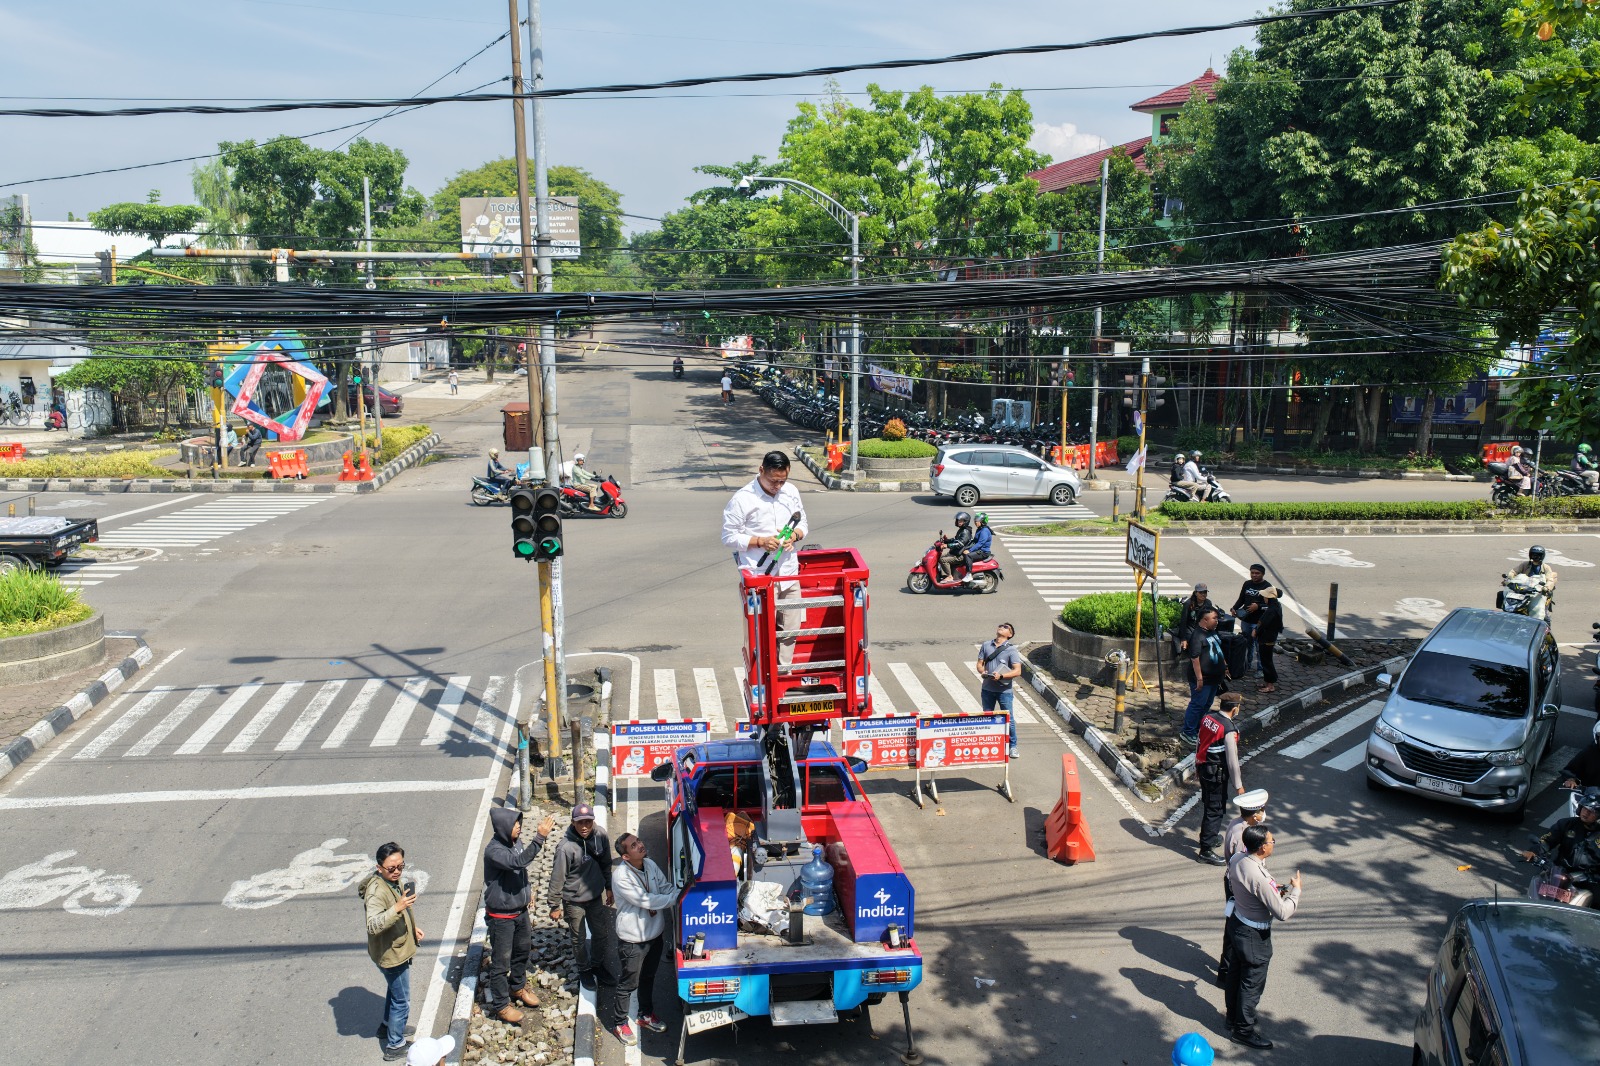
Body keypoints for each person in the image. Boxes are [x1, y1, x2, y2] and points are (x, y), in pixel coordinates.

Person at [720, 451, 808, 669]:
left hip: (788, 572)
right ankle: (764, 674)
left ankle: (784, 672)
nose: (777, 486)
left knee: (791, 628)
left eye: (782, 481)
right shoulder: (743, 499)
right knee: (762, 631)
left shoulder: (791, 492)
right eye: (773, 481)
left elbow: (803, 522)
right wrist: (759, 541)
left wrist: (795, 536)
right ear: (761, 471)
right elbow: (728, 536)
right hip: (759, 576)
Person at [1223, 824, 1301, 1050]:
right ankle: (1243, 1030)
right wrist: (1296, 891)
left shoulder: (1238, 858)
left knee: (1235, 975)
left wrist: (1277, 890)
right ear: (1261, 848)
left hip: (1238, 923)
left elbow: (1257, 891)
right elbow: (1283, 912)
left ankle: (1232, 1017)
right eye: (1271, 841)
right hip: (1254, 936)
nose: (1273, 843)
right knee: (1251, 985)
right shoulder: (1257, 874)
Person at [482, 808, 557, 1023]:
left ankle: (517, 987)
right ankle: (501, 1005)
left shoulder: (516, 843)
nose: (519, 827)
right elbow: (518, 862)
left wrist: (528, 889)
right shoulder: (494, 851)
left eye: (519, 823)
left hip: (520, 911)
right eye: (515, 824)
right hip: (501, 916)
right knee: (500, 963)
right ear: (503, 827)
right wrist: (540, 837)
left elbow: (521, 871)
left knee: (522, 952)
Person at [608, 833, 677, 1046]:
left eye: (639, 841)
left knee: (648, 977)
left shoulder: (649, 864)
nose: (640, 845)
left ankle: (645, 1015)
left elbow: (665, 887)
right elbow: (646, 900)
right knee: (628, 983)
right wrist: (677, 898)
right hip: (633, 940)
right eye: (634, 845)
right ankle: (620, 1023)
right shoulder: (621, 877)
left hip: (654, 935)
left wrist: (677, 892)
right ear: (626, 857)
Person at [359, 842, 425, 1061]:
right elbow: (373, 925)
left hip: (395, 948)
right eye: (391, 868)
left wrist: (412, 928)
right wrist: (398, 908)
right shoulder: (376, 892)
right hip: (391, 954)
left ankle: (388, 1026)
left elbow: (399, 911)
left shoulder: (392, 882)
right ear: (379, 868)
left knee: (395, 991)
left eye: (400, 866)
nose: (397, 871)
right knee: (402, 999)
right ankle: (395, 1044)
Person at [548, 804, 616, 993]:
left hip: (595, 896)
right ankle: (584, 969)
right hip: (573, 900)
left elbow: (606, 863)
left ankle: (597, 965)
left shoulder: (600, 835)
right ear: (573, 823)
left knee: (600, 933)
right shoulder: (565, 848)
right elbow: (557, 878)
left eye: (588, 822)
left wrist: (609, 887)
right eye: (580, 823)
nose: (584, 826)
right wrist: (554, 905)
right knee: (578, 938)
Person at [1215, 790, 1269, 987]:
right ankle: (1227, 971)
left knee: (1232, 926)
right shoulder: (1242, 834)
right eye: (1262, 810)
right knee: (1235, 929)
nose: (1264, 813)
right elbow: (1243, 868)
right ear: (1255, 814)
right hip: (1237, 887)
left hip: (1233, 882)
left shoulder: (1238, 823)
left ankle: (1225, 969)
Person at [1195, 692, 1246, 866]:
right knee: (1214, 809)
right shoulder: (1228, 729)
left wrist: (1197, 764)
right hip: (1215, 773)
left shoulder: (1208, 718)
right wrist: (1238, 785)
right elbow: (1232, 760)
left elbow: (1200, 742)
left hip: (1203, 768)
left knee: (1210, 804)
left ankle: (1209, 835)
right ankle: (1206, 849)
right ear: (1234, 709)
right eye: (1238, 707)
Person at [1520, 786, 1600, 870]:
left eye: (1591, 811)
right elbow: (1547, 842)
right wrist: (1534, 851)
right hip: (1560, 871)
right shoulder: (1567, 824)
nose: (1586, 813)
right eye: (1585, 808)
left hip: (1589, 878)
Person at [976, 621, 1023, 758]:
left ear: (1010, 634)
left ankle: (1013, 746)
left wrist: (1002, 675)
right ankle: (990, 744)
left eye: (1006, 627)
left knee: (1008, 719)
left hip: (1004, 691)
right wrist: (982, 672)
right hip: (987, 689)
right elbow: (979, 664)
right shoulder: (986, 645)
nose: (1002, 627)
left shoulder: (1011, 650)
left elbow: (1017, 671)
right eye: (1001, 626)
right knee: (987, 716)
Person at [1181, 608, 1227, 744]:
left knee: (1207, 704)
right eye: (1214, 618)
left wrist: (1225, 666)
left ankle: (1197, 727)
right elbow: (1195, 659)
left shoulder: (1212, 631)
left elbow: (1218, 649)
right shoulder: (1197, 636)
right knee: (1197, 704)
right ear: (1205, 620)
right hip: (1203, 680)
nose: (1217, 621)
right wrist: (1199, 679)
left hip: (1214, 679)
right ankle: (1188, 732)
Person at [1231, 564, 1273, 675]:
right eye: (1252, 573)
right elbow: (1241, 599)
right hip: (1246, 620)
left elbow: (1271, 606)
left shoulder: (1268, 587)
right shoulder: (1247, 584)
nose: (1254, 575)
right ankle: (1247, 664)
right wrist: (1234, 608)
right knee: (1247, 644)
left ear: (1263, 574)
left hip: (1259, 622)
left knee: (1259, 647)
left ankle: (1260, 669)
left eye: (1257, 573)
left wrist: (1258, 607)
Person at [1502, 544, 1557, 619]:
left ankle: (1542, 626)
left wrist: (1546, 588)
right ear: (1530, 555)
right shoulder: (1525, 564)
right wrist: (1509, 579)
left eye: (1538, 555)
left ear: (1542, 556)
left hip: (1537, 592)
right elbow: (1513, 572)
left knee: (1540, 612)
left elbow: (1550, 580)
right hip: (1523, 589)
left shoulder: (1546, 567)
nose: (1535, 557)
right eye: (1533, 555)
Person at [1254, 588, 1284, 693]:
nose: (1264, 598)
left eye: (1265, 596)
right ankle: (1268, 681)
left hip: (1267, 638)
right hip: (1270, 637)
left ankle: (1270, 685)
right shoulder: (1276, 606)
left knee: (1266, 661)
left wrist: (1256, 632)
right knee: (1266, 660)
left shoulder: (1271, 610)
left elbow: (1263, 623)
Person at [1175, 584, 1217, 657]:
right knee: (1194, 643)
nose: (1203, 594)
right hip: (1191, 628)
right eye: (1201, 592)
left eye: (1205, 592)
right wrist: (1183, 638)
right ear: (1195, 593)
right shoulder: (1188, 604)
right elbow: (1183, 621)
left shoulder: (1208, 603)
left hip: (1203, 628)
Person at [1559, 722, 1600, 792]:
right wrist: (1571, 779)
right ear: (1597, 737)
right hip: (1591, 798)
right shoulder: (1589, 752)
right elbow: (1570, 770)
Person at [938, 511, 975, 582]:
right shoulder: (961, 530)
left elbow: (959, 544)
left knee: (943, 560)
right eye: (958, 520)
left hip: (960, 555)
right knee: (940, 557)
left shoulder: (965, 532)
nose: (958, 522)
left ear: (965, 521)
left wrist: (947, 545)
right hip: (956, 552)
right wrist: (946, 540)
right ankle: (950, 573)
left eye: (961, 521)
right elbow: (956, 539)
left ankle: (949, 576)